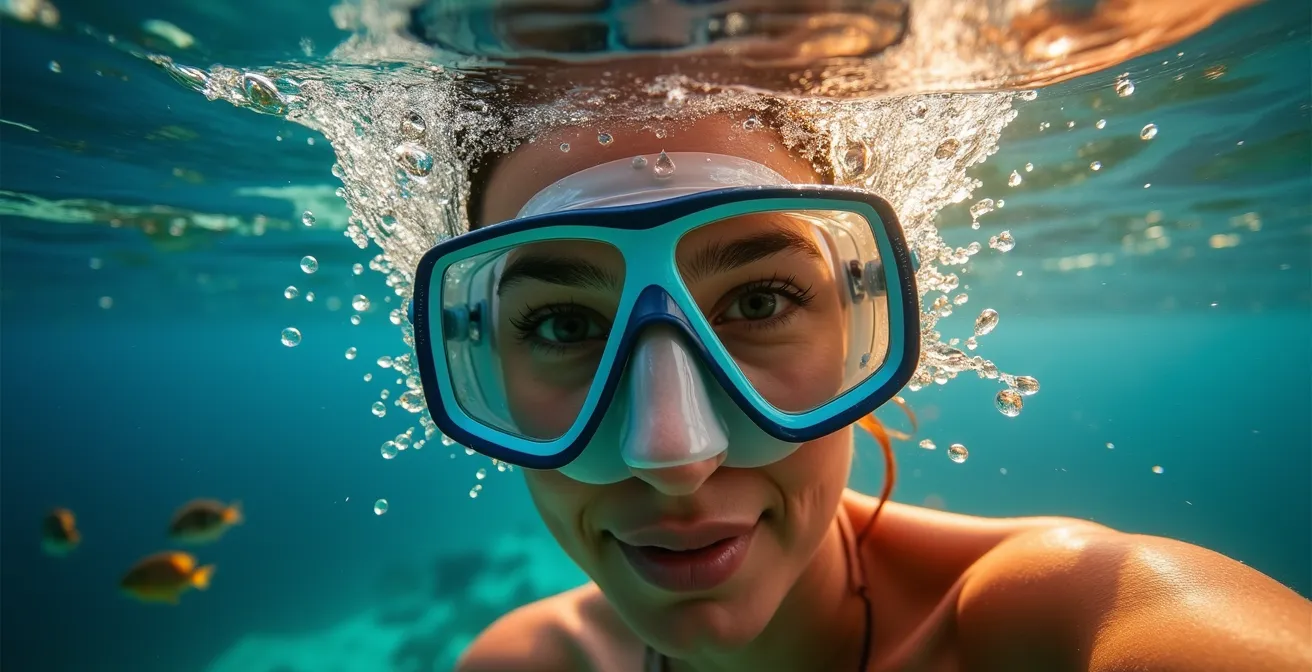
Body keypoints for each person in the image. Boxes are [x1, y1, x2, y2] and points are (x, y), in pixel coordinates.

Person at [406, 113, 1312, 671]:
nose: (675, 455)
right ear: (479, 369)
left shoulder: (1072, 620)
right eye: (564, 326)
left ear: (862, 333)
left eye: (760, 302)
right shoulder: (526, 665)